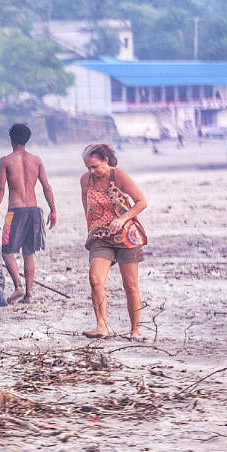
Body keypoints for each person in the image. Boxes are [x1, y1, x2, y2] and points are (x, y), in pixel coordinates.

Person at [80, 143, 147, 339]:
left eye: (95, 166)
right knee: (95, 279)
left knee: (130, 285)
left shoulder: (119, 176)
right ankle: (102, 326)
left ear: (106, 161)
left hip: (126, 236)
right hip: (100, 237)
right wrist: (91, 231)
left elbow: (142, 202)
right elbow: (87, 208)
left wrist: (122, 218)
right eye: (88, 167)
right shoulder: (86, 180)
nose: (92, 171)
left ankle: (135, 330)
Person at [0, 123, 57, 304]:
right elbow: (46, 187)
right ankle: (29, 294)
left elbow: (0, 188)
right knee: (29, 253)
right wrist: (53, 210)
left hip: (15, 212)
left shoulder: (5, 160)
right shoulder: (36, 160)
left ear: (11, 139)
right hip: (34, 212)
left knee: (6, 250)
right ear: (27, 139)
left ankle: (18, 286)